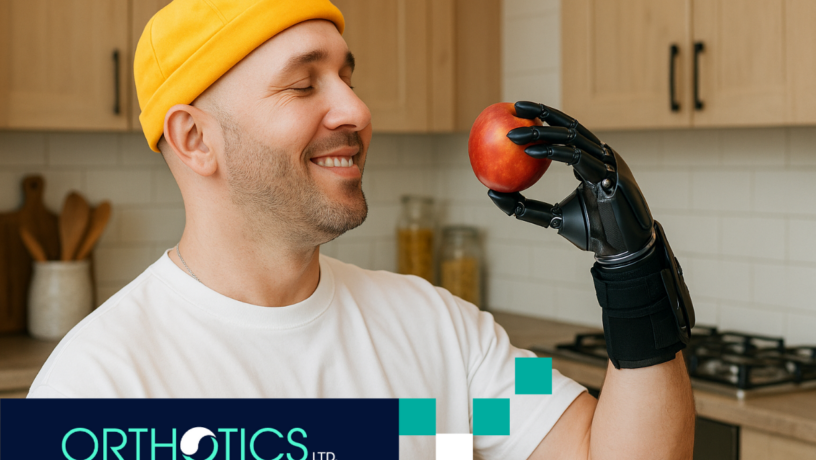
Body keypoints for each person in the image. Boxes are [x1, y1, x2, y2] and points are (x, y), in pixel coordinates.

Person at [28, 0, 695, 458]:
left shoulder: (439, 336)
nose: (356, 107)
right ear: (195, 138)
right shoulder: (98, 391)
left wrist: (631, 268)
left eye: (347, 75)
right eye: (303, 85)